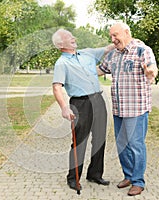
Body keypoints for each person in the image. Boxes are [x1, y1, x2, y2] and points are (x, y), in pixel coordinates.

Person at [98, 22, 158, 196]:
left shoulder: (142, 50)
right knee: (122, 145)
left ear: (126, 32)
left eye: (115, 35)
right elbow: (101, 70)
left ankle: (138, 181)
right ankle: (129, 175)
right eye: (111, 36)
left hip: (136, 109)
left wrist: (151, 73)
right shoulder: (113, 54)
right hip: (119, 108)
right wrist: (79, 71)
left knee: (135, 145)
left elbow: (152, 68)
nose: (113, 39)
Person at [51, 28, 112, 191]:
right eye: (69, 37)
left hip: (98, 100)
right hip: (80, 104)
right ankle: (73, 178)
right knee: (80, 143)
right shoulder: (61, 63)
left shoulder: (88, 53)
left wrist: (128, 41)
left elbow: (108, 49)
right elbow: (57, 87)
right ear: (60, 44)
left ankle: (95, 174)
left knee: (100, 139)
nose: (73, 38)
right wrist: (64, 108)